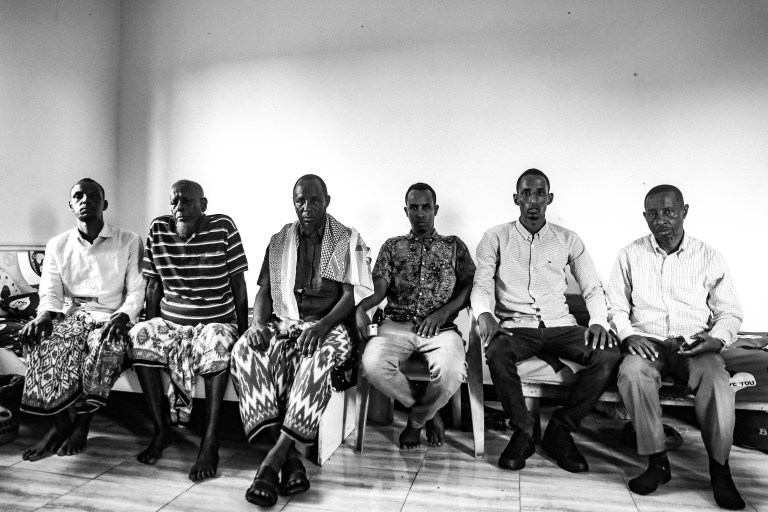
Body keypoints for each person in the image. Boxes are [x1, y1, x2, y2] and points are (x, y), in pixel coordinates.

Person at [230, 174, 373, 507]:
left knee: (317, 360)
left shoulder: (346, 239)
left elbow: (350, 297)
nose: (306, 208)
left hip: (332, 326)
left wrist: (321, 328)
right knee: (243, 350)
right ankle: (291, 458)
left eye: (314, 200)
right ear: (293, 201)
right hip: (286, 321)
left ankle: (270, 463)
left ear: (327, 200)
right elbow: (265, 291)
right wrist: (258, 326)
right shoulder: (280, 239)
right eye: (300, 201)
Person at [471, 168, 620, 473]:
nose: (533, 200)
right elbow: (482, 283)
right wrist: (484, 314)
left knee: (608, 354)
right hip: (517, 326)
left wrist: (598, 322)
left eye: (540, 193)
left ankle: (560, 431)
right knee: (497, 352)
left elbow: (592, 287)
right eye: (526, 193)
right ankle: (524, 432)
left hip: (561, 325)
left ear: (549, 198)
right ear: (516, 199)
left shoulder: (568, 239)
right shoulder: (495, 237)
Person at [607, 185, 745, 510]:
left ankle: (720, 470)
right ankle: (657, 463)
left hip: (694, 344)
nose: (661, 220)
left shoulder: (709, 256)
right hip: (649, 343)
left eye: (669, 211)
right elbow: (614, 305)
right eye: (653, 214)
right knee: (631, 372)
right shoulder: (629, 254)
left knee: (716, 379)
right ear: (645, 217)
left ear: (684, 211)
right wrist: (628, 335)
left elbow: (730, 311)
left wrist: (717, 339)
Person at [128, 179, 249, 482]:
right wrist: (150, 326)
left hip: (215, 321)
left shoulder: (223, 227)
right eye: (174, 202)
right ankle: (161, 429)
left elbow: (238, 284)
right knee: (138, 336)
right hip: (172, 322)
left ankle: (210, 440)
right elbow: (154, 286)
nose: (179, 209)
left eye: (187, 202)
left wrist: (245, 333)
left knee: (218, 345)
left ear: (203, 205)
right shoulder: (158, 229)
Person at [19, 178, 145, 461]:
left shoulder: (129, 240)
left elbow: (137, 289)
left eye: (92, 196)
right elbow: (49, 291)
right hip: (73, 315)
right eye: (78, 196)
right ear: (71, 205)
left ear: (105, 204)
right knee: (43, 340)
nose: (85, 200)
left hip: (112, 317)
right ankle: (59, 423)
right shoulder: (57, 245)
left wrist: (124, 315)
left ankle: (83, 424)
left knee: (106, 348)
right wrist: (43, 316)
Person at [355, 182, 475, 449]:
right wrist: (361, 309)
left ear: (436, 209)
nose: (420, 213)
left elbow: (470, 286)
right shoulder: (392, 247)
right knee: (372, 365)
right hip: (395, 326)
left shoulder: (454, 246)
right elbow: (378, 292)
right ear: (406, 210)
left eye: (426, 207)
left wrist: (443, 314)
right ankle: (430, 412)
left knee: (453, 371)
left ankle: (416, 421)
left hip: (440, 330)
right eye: (414, 207)